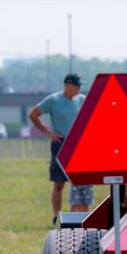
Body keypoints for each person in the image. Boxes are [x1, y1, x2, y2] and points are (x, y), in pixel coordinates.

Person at [28, 73, 92, 225]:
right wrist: (47, 132)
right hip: (60, 143)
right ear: (67, 85)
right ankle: (56, 217)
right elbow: (33, 114)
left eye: (80, 86)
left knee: (77, 183)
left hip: (77, 145)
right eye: (76, 85)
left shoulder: (81, 100)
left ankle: (73, 216)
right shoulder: (53, 100)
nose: (78, 89)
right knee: (58, 184)